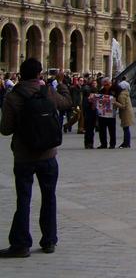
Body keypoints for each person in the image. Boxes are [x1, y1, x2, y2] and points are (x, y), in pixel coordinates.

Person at [0, 58, 72, 257]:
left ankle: (21, 245)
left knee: (23, 199)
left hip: (24, 156)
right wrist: (62, 82)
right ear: (40, 73)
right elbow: (67, 103)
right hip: (48, 155)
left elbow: (5, 129)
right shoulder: (47, 91)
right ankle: (49, 241)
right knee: (49, 197)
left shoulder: (12, 96)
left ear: (21, 74)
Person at [95, 78, 117, 149]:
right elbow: (98, 100)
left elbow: (116, 99)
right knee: (102, 130)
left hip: (111, 113)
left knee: (112, 130)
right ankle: (103, 144)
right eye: (105, 85)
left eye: (107, 84)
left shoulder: (114, 91)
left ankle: (112, 144)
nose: (106, 86)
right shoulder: (101, 91)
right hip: (103, 113)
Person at [113, 80, 134, 148]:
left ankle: (126, 143)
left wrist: (115, 102)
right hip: (128, 113)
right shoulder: (125, 93)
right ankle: (126, 143)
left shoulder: (121, 95)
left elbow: (123, 106)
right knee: (126, 129)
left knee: (126, 129)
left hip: (126, 114)